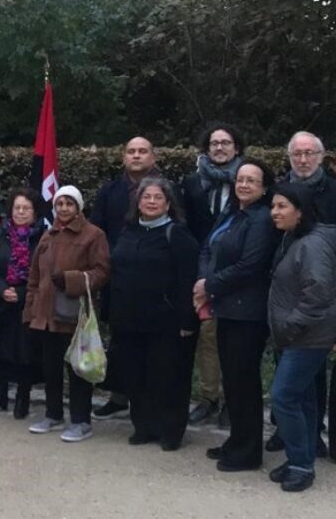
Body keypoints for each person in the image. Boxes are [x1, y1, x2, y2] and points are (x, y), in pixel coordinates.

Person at [265, 131, 336, 457]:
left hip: (312, 289)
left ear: (321, 156)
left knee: (305, 374)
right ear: (289, 157)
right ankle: (289, 432)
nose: (303, 160)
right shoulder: (278, 191)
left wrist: (312, 253)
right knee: (289, 371)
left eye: (309, 154)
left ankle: (309, 439)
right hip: (284, 286)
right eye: (297, 154)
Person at [195, 159, 278, 471]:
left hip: (247, 313)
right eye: (240, 179)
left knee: (244, 383)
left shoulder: (261, 220)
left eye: (251, 181)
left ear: (263, 187)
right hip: (226, 308)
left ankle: (248, 452)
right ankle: (236, 441)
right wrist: (205, 281)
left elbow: (251, 266)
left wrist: (210, 284)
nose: (243, 185)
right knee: (232, 381)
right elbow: (206, 250)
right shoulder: (232, 214)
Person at [109, 178, 199, 451]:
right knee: (137, 376)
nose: (150, 202)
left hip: (167, 322)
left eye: (157, 197)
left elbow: (188, 281)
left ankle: (171, 431)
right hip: (130, 320)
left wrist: (187, 320)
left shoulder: (177, 235)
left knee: (169, 377)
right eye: (146, 197)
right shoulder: (128, 232)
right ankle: (143, 427)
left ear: (168, 204)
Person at [266, 182, 336, 492]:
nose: (274, 212)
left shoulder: (312, 245)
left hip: (307, 337)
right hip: (297, 335)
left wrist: (290, 326)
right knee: (304, 399)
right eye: (273, 206)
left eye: (282, 206)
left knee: (283, 397)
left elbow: (318, 293)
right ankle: (302, 457)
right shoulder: (294, 238)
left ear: (301, 211)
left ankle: (300, 464)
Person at [23, 186, 110, 442]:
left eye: (69, 203)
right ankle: (53, 414)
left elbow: (102, 272)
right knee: (50, 369)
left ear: (79, 207)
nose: (63, 208)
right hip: (46, 314)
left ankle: (81, 421)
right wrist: (31, 307)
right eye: (59, 203)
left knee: (78, 371)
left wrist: (72, 280)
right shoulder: (47, 236)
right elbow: (34, 276)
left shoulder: (94, 235)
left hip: (75, 315)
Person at [89, 136, 162, 420]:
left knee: (152, 344)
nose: (136, 156)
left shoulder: (166, 190)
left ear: (153, 157)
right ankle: (119, 395)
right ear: (123, 157)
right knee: (120, 341)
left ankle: (149, 400)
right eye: (131, 151)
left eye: (143, 151)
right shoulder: (111, 191)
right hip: (117, 278)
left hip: (155, 280)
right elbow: (97, 231)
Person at [183, 123, 246, 427]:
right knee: (207, 337)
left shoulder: (248, 181)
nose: (219, 148)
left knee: (235, 342)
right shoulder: (193, 182)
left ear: (237, 148)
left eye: (226, 143)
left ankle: (235, 402)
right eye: (214, 143)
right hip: (201, 269)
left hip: (236, 271)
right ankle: (209, 396)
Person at [0, 188, 45, 419]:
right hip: (0, 304)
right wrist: (1, 289)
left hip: (27, 306)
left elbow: (45, 273)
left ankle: (23, 397)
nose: (21, 212)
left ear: (35, 212)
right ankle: (0, 395)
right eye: (17, 208)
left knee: (26, 355)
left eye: (26, 208)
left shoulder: (44, 238)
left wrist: (22, 293)